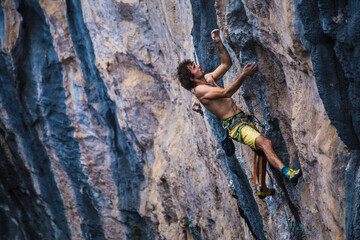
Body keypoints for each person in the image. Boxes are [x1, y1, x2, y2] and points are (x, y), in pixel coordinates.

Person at [177, 29, 301, 198]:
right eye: (193, 67)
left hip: (242, 121)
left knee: (259, 152)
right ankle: (288, 173)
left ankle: (262, 188)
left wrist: (219, 43)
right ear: (191, 78)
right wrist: (244, 75)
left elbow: (226, 64)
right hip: (237, 127)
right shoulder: (200, 91)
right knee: (265, 144)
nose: (197, 66)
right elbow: (226, 93)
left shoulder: (207, 80)